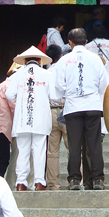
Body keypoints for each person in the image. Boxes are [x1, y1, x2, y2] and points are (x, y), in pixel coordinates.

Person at [52, 28, 109, 190]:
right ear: (86, 42)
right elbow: (104, 84)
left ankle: (75, 179)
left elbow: (58, 87)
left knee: (75, 144)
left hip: (73, 107)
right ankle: (97, 179)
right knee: (94, 144)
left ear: (70, 42)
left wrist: (69, 93)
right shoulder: (95, 59)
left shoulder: (64, 60)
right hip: (92, 105)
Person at [6, 46, 53, 191]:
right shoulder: (47, 74)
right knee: (39, 150)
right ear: (39, 60)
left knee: (23, 150)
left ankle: (21, 182)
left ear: (25, 61)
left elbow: (9, 95)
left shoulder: (17, 75)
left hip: (22, 118)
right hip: (40, 117)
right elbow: (54, 95)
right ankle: (39, 182)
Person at [45, 44, 68, 190]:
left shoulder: (45, 73)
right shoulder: (65, 69)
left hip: (50, 111)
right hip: (66, 110)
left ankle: (53, 183)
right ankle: (76, 180)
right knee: (72, 147)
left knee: (52, 151)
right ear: (60, 56)